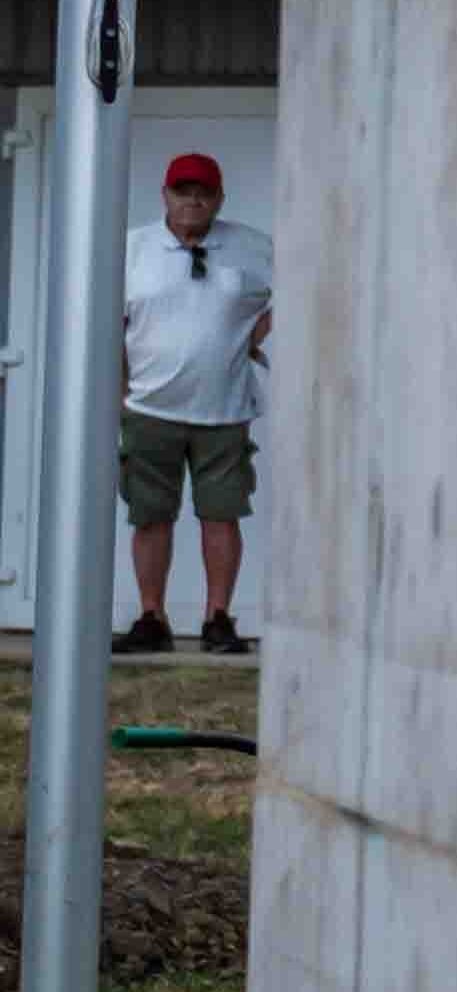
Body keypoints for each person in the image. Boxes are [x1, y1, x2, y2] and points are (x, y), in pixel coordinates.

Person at [116, 150, 271, 658]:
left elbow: (298, 289)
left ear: (220, 199)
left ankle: (217, 619)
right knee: (150, 517)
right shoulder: (131, 249)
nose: (193, 201)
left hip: (224, 412)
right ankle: (151, 617)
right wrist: (119, 391)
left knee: (222, 517)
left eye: (204, 193)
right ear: (165, 195)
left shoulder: (252, 247)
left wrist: (257, 334)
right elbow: (108, 320)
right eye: (183, 191)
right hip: (149, 409)